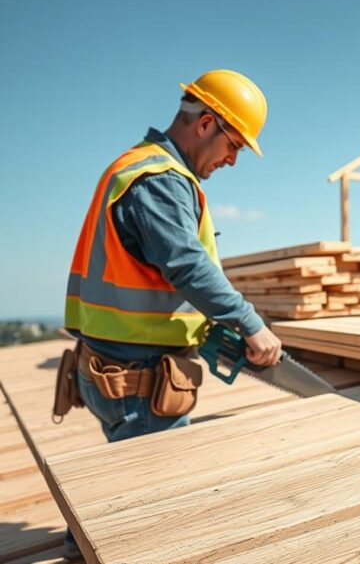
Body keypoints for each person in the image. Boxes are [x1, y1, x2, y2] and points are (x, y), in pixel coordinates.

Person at [60, 69, 281, 559]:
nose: (233, 160)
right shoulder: (159, 179)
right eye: (235, 145)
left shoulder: (137, 166)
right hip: (138, 382)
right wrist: (251, 323)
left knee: (118, 504)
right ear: (206, 123)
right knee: (150, 522)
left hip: (116, 364)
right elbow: (187, 265)